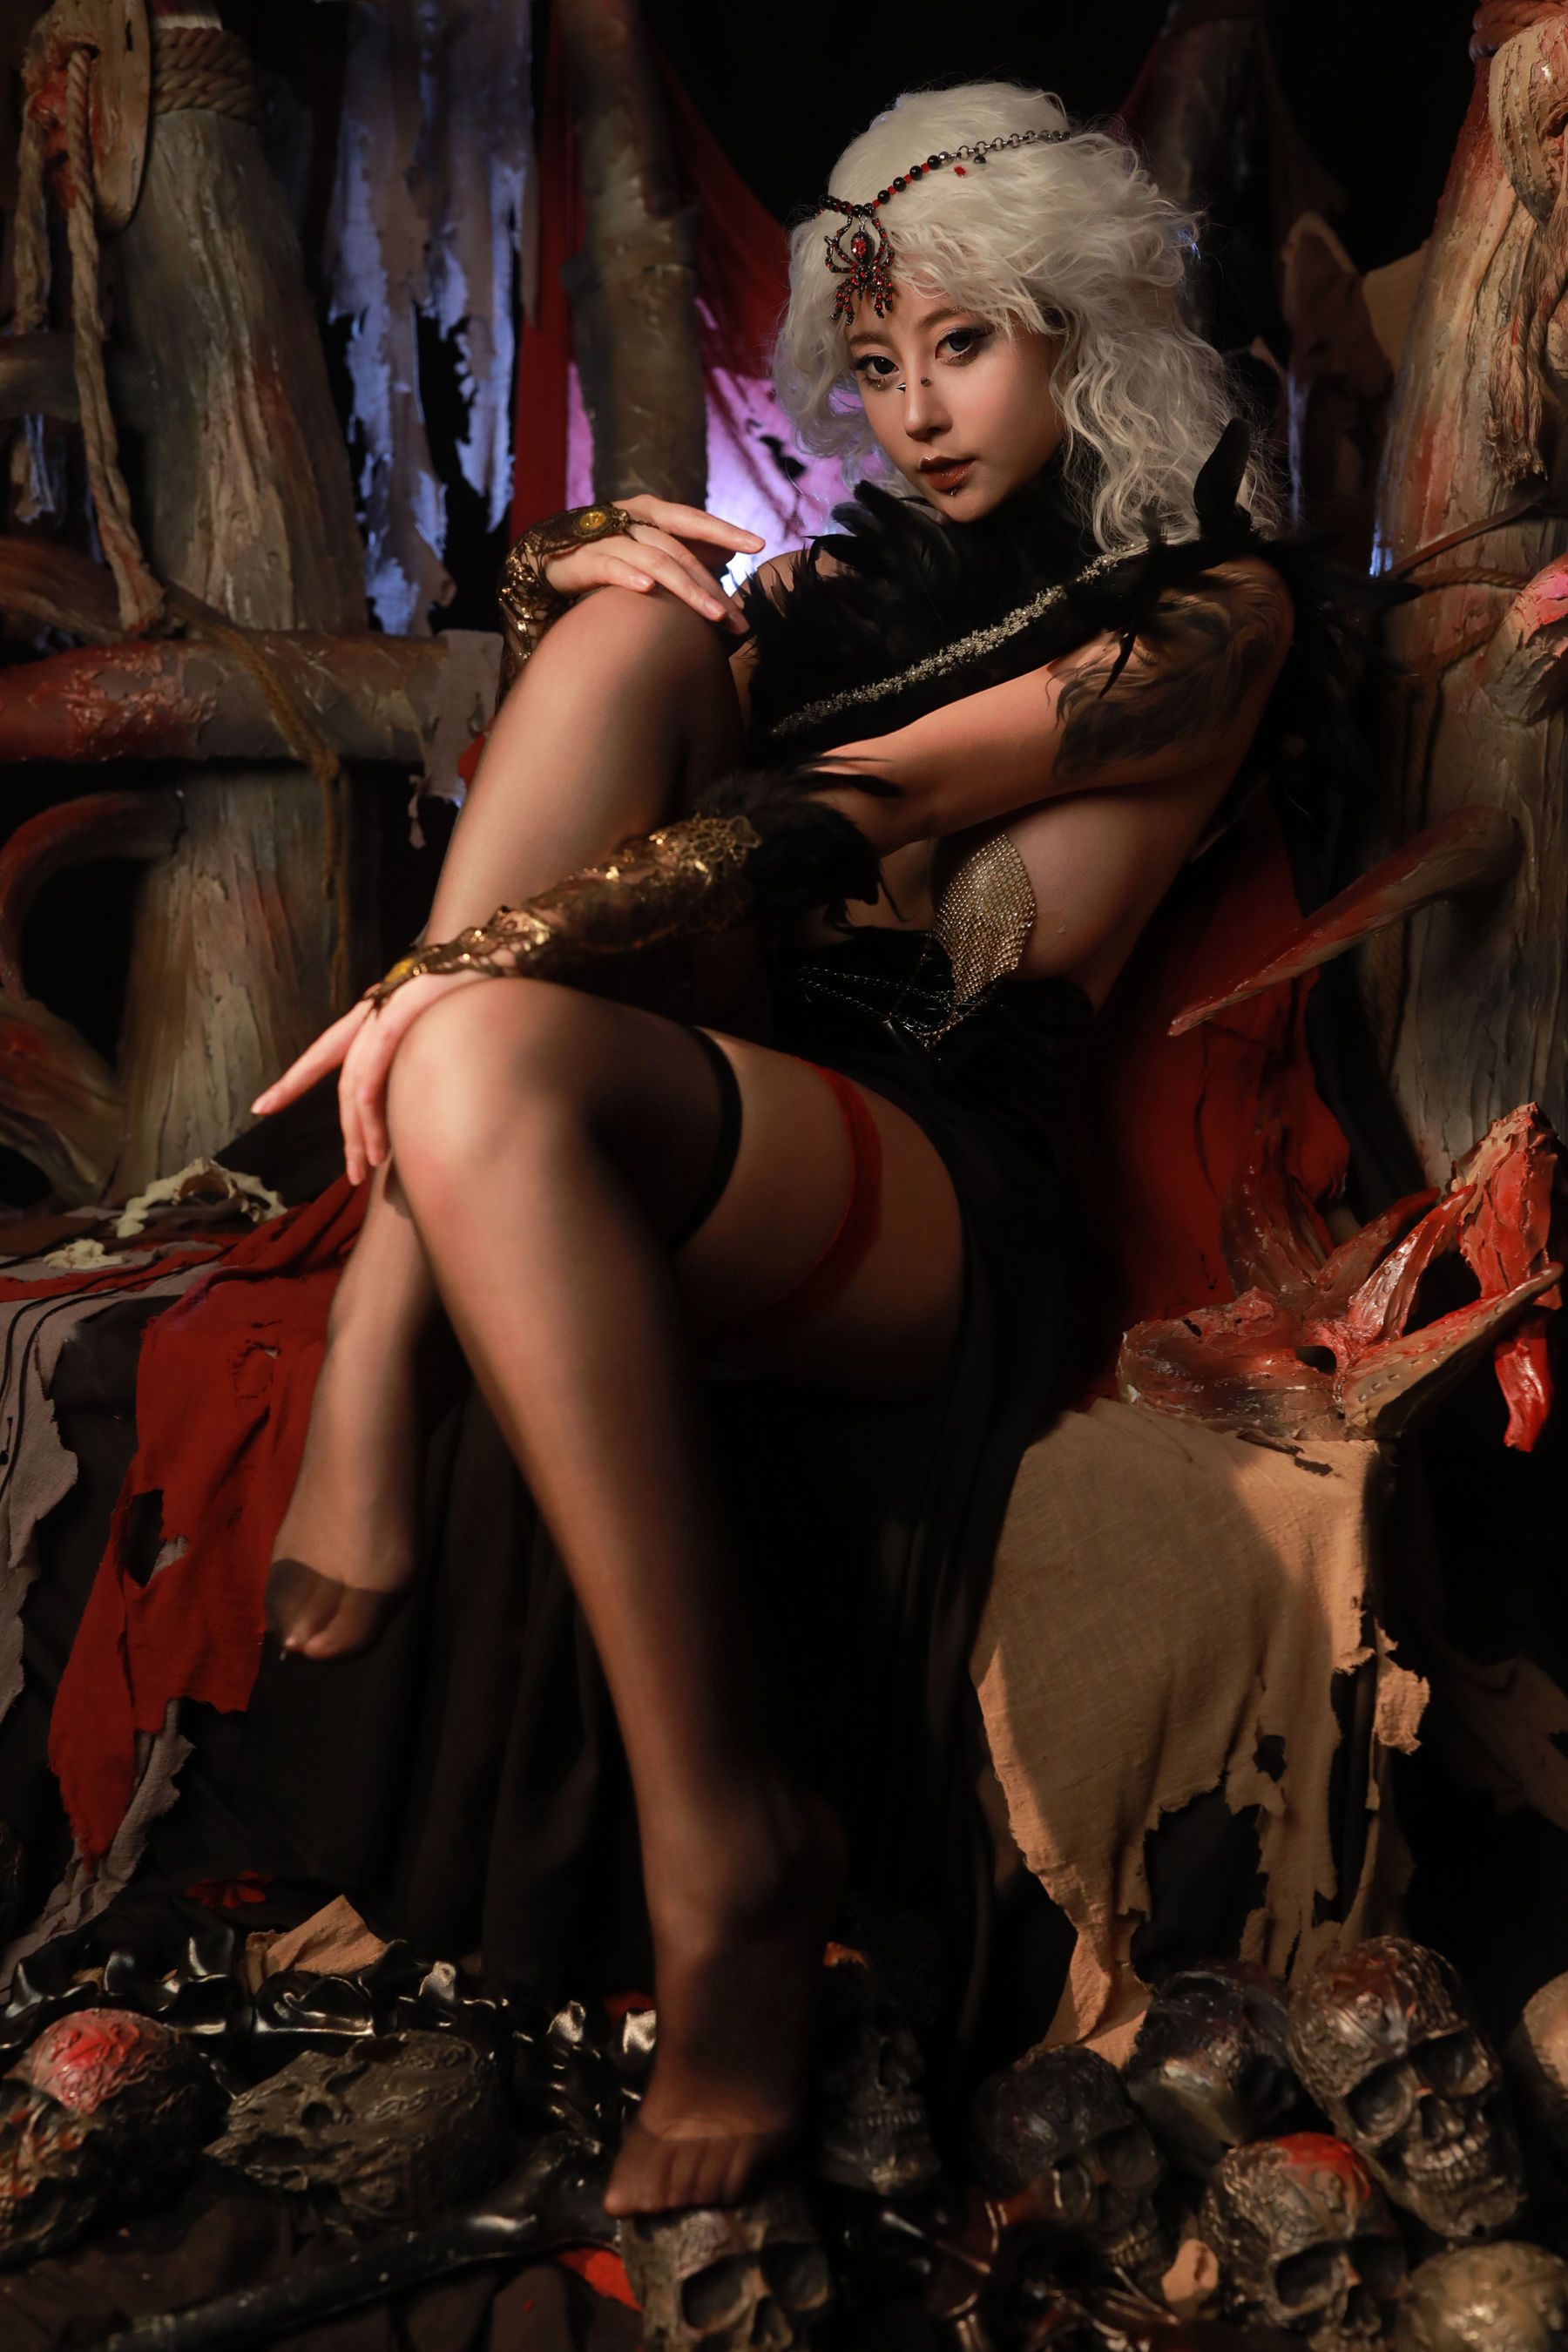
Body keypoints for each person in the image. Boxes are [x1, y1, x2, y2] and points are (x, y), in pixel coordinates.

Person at [252, 81, 1294, 2215]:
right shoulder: (841, 588)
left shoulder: (1213, 615)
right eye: (880, 361)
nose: (915, 410)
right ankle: (381, 1318)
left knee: (469, 1058)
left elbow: (863, 812)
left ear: (1083, 324)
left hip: (940, 1164)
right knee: (638, 624)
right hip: (727, 1075)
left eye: (966, 347)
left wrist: (444, 969)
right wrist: (569, 559)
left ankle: (724, 1852)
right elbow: (631, 715)